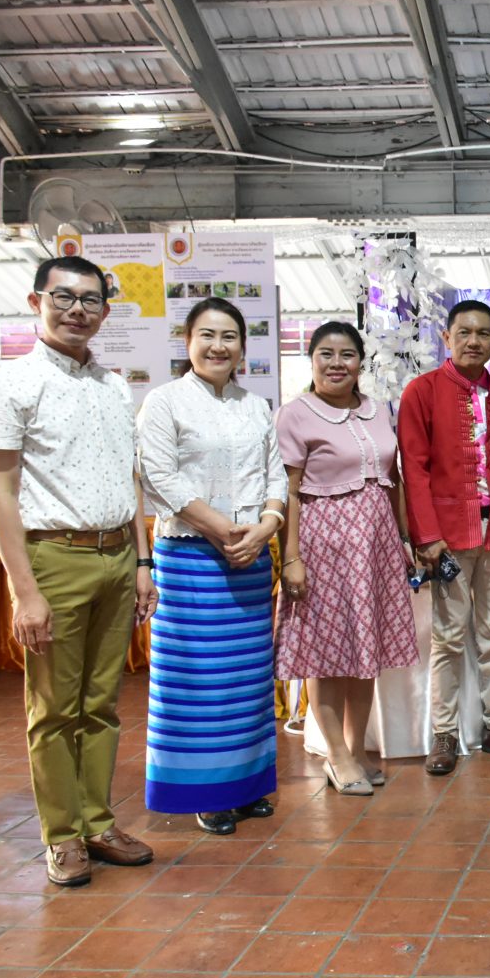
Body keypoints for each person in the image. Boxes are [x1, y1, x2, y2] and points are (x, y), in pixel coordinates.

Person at [0, 255, 156, 887]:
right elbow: (1, 497)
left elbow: (130, 480)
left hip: (117, 557)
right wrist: (25, 593)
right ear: (36, 302)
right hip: (54, 558)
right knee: (53, 708)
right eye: (64, 297)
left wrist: (142, 561)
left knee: (102, 704)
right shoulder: (9, 385)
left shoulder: (113, 386)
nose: (78, 309)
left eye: (91, 299)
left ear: (105, 309)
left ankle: (98, 822)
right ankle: (62, 836)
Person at [137, 297, 287, 835]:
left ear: (243, 347)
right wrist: (223, 530)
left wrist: (266, 527)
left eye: (229, 337)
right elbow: (159, 477)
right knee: (198, 680)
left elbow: (276, 475)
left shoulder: (256, 406)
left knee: (246, 682)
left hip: (250, 559)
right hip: (190, 561)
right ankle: (204, 792)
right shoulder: (164, 402)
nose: (218, 346)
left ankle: (245, 786)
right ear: (188, 341)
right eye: (207, 335)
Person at [275, 322, 419, 795]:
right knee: (326, 656)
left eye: (347, 355)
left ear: (361, 362)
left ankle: (357, 750)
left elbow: (393, 480)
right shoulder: (295, 414)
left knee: (366, 651)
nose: (336, 363)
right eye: (326, 354)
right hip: (323, 546)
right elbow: (288, 491)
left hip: (375, 547)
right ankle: (336, 756)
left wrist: (403, 539)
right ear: (311, 360)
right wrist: (291, 558)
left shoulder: (377, 410)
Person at [399, 299, 490, 774]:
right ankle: (444, 733)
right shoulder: (422, 391)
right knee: (449, 637)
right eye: (464, 333)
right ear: (447, 338)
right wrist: (426, 536)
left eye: (483, 334)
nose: (473, 341)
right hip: (449, 536)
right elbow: (413, 470)